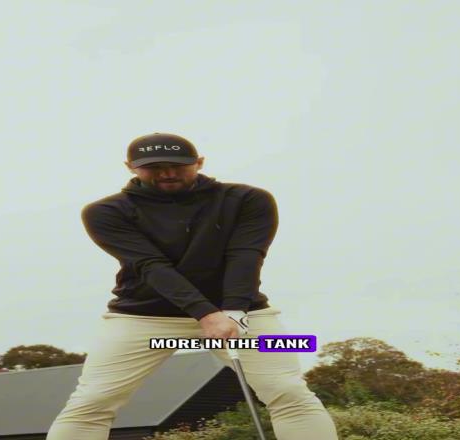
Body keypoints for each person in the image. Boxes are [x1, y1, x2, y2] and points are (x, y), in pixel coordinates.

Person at [46, 133, 338, 440]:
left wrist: (234, 311)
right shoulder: (106, 211)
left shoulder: (248, 199)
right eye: (154, 167)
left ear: (199, 162)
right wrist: (205, 313)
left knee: (289, 390)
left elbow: (245, 256)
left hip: (240, 311)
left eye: (178, 165)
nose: (167, 173)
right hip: (145, 317)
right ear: (130, 167)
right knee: (92, 400)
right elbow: (151, 265)